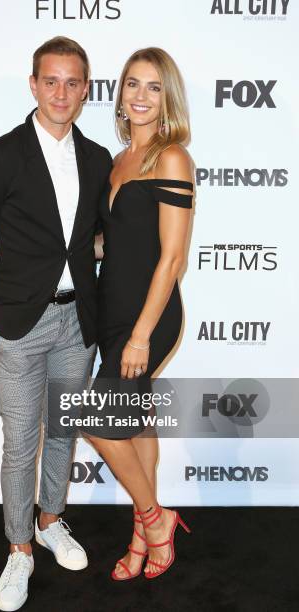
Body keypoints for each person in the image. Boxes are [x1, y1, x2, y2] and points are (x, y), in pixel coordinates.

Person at [0, 36, 112, 610]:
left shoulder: (97, 159)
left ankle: (50, 521)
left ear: (86, 89)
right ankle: (19, 550)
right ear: (33, 85)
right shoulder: (0, 155)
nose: (62, 92)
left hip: (78, 324)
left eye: (73, 82)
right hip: (18, 324)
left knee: (64, 434)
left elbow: (90, 242)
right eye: (51, 81)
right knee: (22, 444)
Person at [82, 47, 194, 580]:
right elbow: (122, 242)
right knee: (134, 422)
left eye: (153, 86)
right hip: (112, 309)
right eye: (132, 84)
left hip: (148, 317)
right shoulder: (118, 158)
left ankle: (156, 518)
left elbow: (172, 258)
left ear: (167, 96)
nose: (141, 96)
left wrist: (141, 336)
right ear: (120, 94)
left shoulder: (172, 158)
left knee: (95, 421)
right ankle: (140, 538)